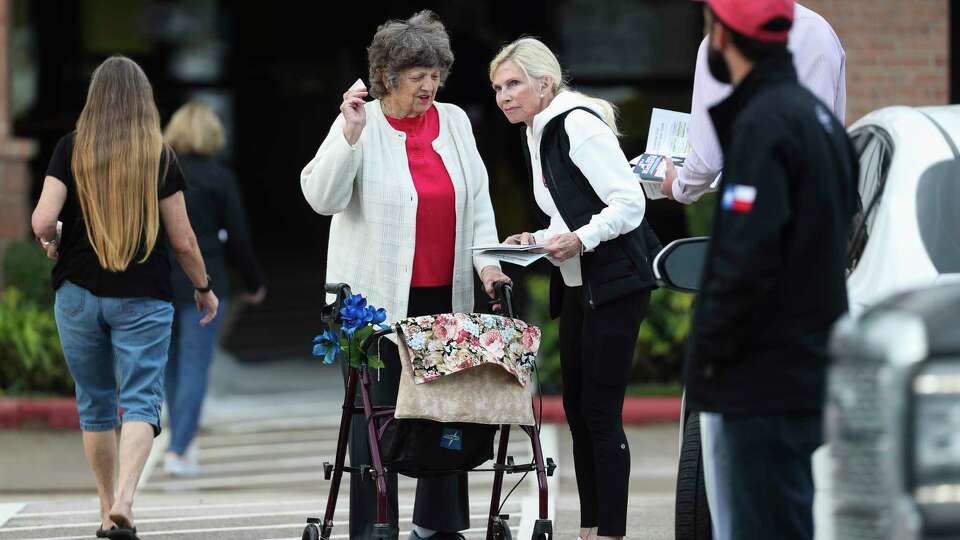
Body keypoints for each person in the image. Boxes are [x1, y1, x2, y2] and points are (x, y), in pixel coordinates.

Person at [300, 10, 510, 540]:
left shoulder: (456, 121)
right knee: (381, 417)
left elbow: (478, 203)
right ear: (388, 77)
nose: (429, 84)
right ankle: (376, 526)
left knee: (444, 414)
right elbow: (321, 198)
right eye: (416, 75)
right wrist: (346, 133)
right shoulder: (361, 123)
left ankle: (440, 526)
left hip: (446, 294)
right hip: (375, 301)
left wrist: (488, 266)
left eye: (435, 72)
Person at [682, 1, 858, 539]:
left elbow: (745, 261)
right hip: (802, 367)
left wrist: (706, 358)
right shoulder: (820, 121)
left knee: (762, 522)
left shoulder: (763, 126)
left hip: (762, 378)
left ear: (724, 38)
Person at [31, 56, 218, 540]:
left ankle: (102, 510)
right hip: (142, 297)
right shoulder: (158, 156)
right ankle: (126, 503)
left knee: (95, 404)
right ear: (143, 102)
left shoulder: (71, 148)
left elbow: (41, 219)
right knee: (139, 402)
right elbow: (184, 241)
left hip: (76, 295)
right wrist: (203, 287)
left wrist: (52, 241)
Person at [489, 38, 661, 540]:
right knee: (577, 409)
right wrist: (537, 239)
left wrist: (579, 239)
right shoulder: (537, 128)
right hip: (580, 284)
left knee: (600, 412)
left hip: (617, 281)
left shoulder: (577, 124)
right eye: (498, 87)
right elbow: (569, 211)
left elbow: (629, 203)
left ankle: (610, 531)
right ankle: (590, 527)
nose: (504, 96)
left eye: (514, 83)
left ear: (545, 82)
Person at [161, 101, 267, 476]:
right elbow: (238, 237)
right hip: (202, 284)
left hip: (160, 281)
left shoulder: (158, 174)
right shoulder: (220, 178)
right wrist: (253, 283)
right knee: (194, 365)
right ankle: (178, 448)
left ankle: (182, 442)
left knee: (171, 366)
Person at [661, 1, 846, 202]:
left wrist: (679, 188)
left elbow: (708, 160)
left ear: (723, 40)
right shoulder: (820, 30)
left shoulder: (754, 129)